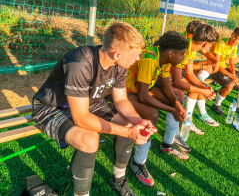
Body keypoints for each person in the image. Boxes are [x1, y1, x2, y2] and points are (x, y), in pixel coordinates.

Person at [31, 21, 157, 196]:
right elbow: (81, 118)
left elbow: (121, 100)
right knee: (89, 139)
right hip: (52, 107)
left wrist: (138, 121)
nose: (138, 59)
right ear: (117, 54)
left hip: (88, 102)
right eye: (136, 55)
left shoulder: (119, 64)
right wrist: (126, 133)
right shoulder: (80, 63)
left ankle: (118, 179)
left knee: (128, 123)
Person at [125, 31, 189, 175]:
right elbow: (142, 96)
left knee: (176, 100)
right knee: (152, 114)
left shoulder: (165, 59)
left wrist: (176, 105)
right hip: (126, 91)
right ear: (171, 53)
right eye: (182, 53)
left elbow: (166, 85)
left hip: (144, 88)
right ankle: (138, 163)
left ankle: (167, 144)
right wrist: (172, 110)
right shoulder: (149, 59)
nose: (183, 57)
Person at [169, 23, 220, 152]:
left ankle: (187, 121)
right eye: (210, 45)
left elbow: (190, 74)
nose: (209, 48)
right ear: (205, 44)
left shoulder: (190, 49)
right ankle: (173, 136)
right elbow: (175, 81)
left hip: (167, 76)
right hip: (157, 77)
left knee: (196, 85)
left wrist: (204, 88)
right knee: (179, 93)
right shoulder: (182, 49)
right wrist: (201, 89)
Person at [206, 27, 239, 117]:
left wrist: (234, 75)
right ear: (232, 34)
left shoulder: (235, 46)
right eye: (235, 37)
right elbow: (217, 64)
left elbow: (231, 63)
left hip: (224, 68)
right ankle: (216, 105)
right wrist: (232, 77)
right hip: (213, 68)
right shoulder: (220, 43)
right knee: (230, 85)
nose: (236, 40)